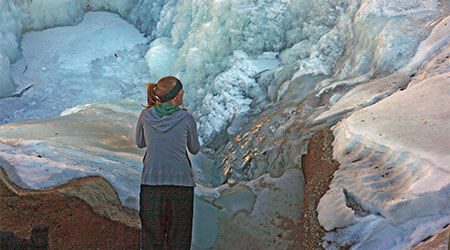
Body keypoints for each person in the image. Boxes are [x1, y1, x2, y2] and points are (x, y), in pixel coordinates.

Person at [135, 76, 200, 250]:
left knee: (151, 237)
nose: (183, 93)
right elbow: (194, 149)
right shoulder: (186, 118)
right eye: (181, 91)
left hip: (151, 183)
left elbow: (140, 143)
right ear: (175, 95)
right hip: (181, 184)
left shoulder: (145, 115)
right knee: (179, 237)